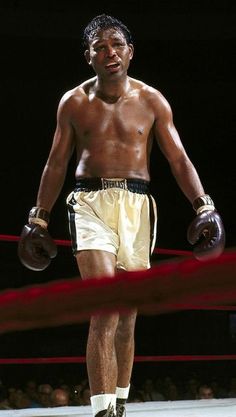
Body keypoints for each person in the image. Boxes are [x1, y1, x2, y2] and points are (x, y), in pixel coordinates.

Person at [18, 13, 225, 417]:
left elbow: (177, 158)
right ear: (88, 56)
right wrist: (38, 218)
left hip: (138, 206)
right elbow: (56, 163)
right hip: (89, 203)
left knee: (127, 316)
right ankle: (102, 411)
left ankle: (121, 402)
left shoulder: (151, 101)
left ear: (130, 51)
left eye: (116, 44)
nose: (108, 52)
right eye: (99, 47)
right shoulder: (74, 102)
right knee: (105, 306)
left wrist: (204, 204)